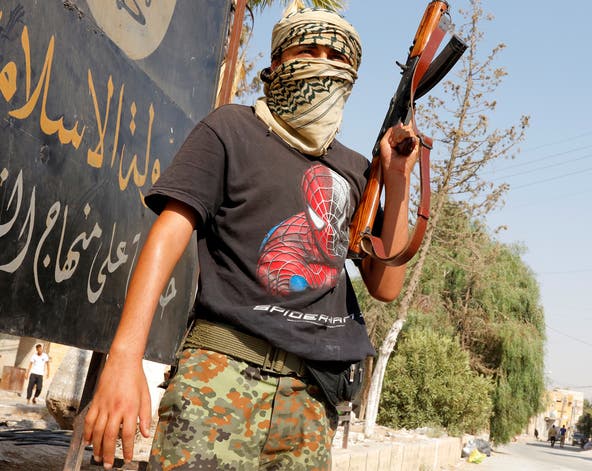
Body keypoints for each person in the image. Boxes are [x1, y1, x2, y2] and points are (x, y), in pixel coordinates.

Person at [83, 3, 419, 470]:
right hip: (221, 372)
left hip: (312, 395)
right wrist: (124, 357)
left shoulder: (354, 169)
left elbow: (385, 286)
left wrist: (397, 179)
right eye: (309, 51)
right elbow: (169, 234)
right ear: (278, 60)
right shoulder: (231, 128)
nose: (324, 64)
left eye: (337, 58)